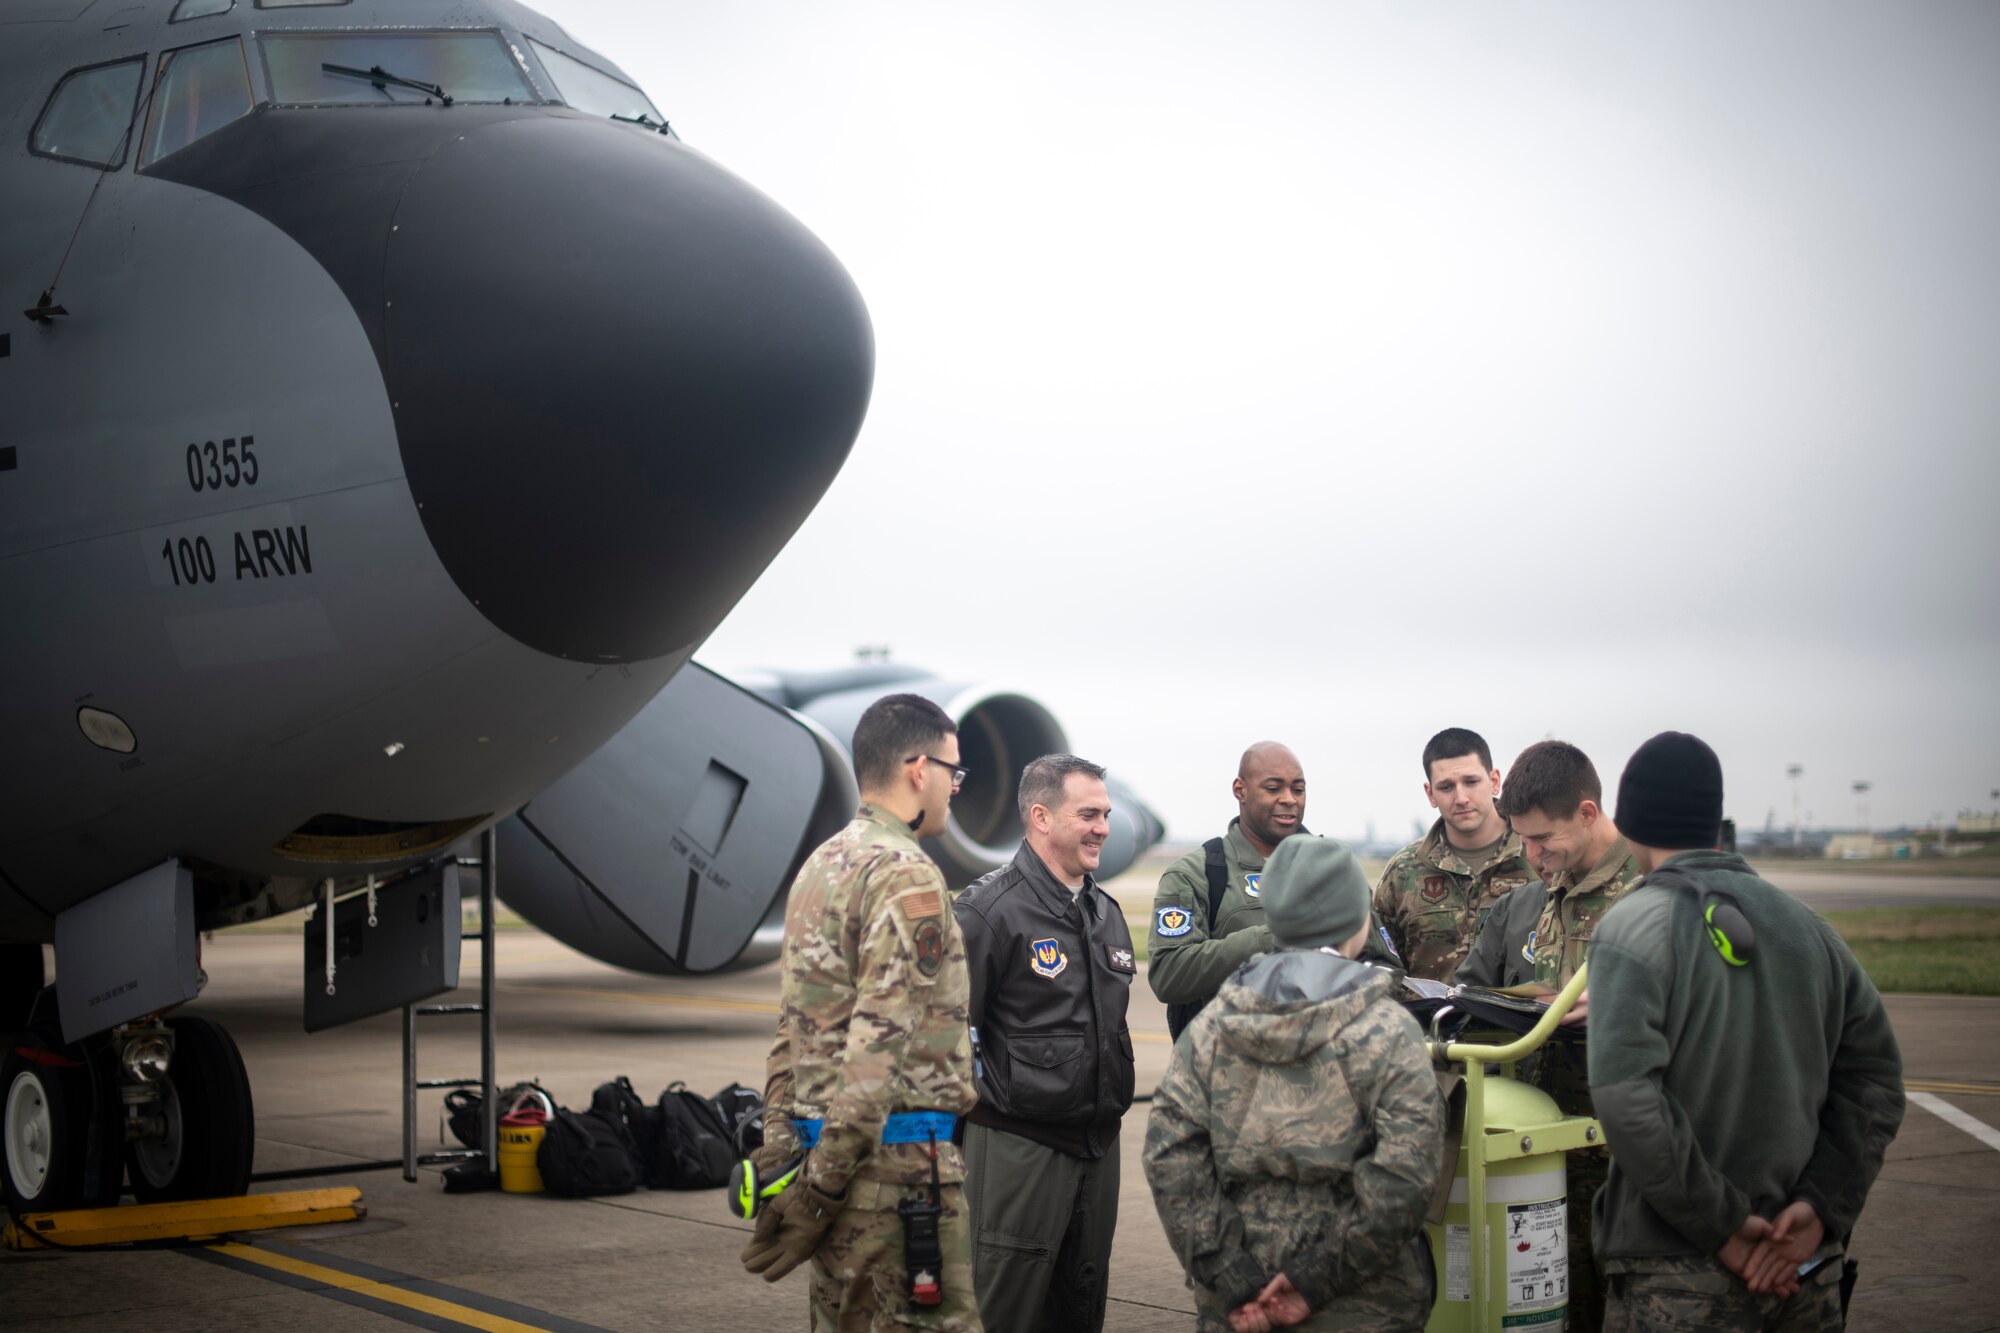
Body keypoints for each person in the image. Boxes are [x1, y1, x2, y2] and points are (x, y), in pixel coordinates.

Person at [1588, 732, 1905, 1331]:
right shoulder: (1812, 929)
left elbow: (1627, 1099)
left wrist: (1725, 1229)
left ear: (1629, 822)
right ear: (1716, 822)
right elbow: (1877, 1078)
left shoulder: (1631, 926)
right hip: (1804, 1272)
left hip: (1678, 1279)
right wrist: (1818, 1209)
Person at [741, 693, 982, 1332]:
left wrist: (785, 1157)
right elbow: (877, 1049)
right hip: (900, 1182)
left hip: (835, 1169)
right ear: (916, 769)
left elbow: (791, 1033)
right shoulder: (905, 874)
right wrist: (818, 1191)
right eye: (952, 771)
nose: (956, 786)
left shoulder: (820, 868)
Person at [1144, 835, 1444, 1333]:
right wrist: (1314, 1280)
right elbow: (1405, 1178)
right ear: (1357, 921)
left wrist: (1231, 1275)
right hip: (1364, 1304)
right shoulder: (1387, 1031)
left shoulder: (1211, 1029)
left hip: (1238, 1307)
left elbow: (1170, 1158)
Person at [952, 755, 1136, 1333]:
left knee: (1080, 1310)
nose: (1102, 827)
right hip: (1018, 1148)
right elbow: (949, 1035)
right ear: (1041, 817)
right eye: (1088, 814)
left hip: (1098, 1149)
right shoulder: (986, 912)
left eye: (1105, 814)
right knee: (1005, 1314)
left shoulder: (1105, 914)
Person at [1491, 739, 1639, 1333]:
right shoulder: (1559, 882)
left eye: (1542, 839)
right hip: (1553, 1151)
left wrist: (1621, 1001)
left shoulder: (1648, 891)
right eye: (1523, 840)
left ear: (1587, 813)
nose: (1531, 855)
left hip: (1623, 1159)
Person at [1148, 742, 1307, 1034]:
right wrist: (1270, 939)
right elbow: (1168, 976)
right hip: (1229, 1068)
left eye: (1298, 789)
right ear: (1240, 790)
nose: (1289, 799)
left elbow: (1385, 964)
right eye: (1273, 789)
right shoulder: (1197, 873)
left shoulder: (1335, 869)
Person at [1368, 728, 1536, 981]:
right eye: (1446, 787)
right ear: (1430, 794)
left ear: (1494, 781)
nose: (1461, 798)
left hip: (1525, 1021)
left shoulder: (1538, 857)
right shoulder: (1404, 871)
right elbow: (1382, 964)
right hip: (1430, 1019)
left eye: (1471, 782)